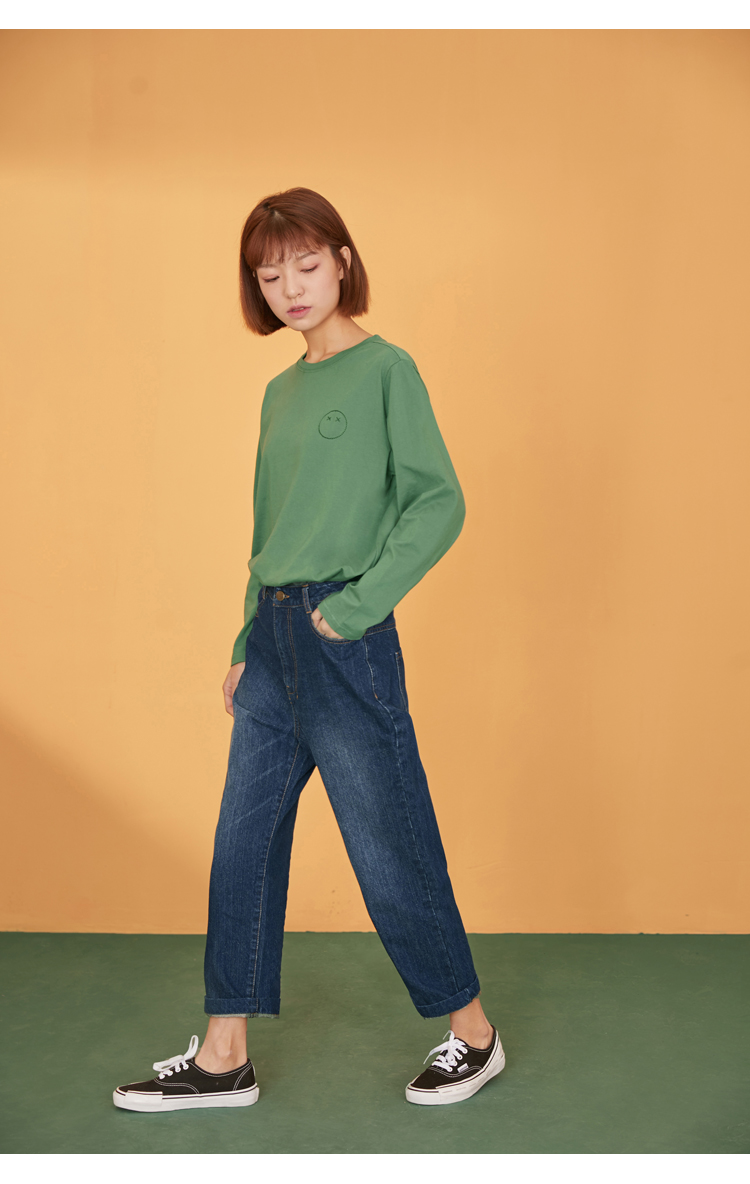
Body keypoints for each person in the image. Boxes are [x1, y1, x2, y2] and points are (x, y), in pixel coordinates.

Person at [113, 187, 505, 1113]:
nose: (289, 286)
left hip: (343, 640)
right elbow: (269, 530)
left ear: (341, 261)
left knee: (388, 846)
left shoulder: (387, 371)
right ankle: (224, 1058)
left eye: (305, 263)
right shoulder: (279, 393)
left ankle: (475, 1035)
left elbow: (438, 501)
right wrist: (244, 639)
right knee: (241, 847)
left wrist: (358, 607)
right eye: (268, 274)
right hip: (273, 644)